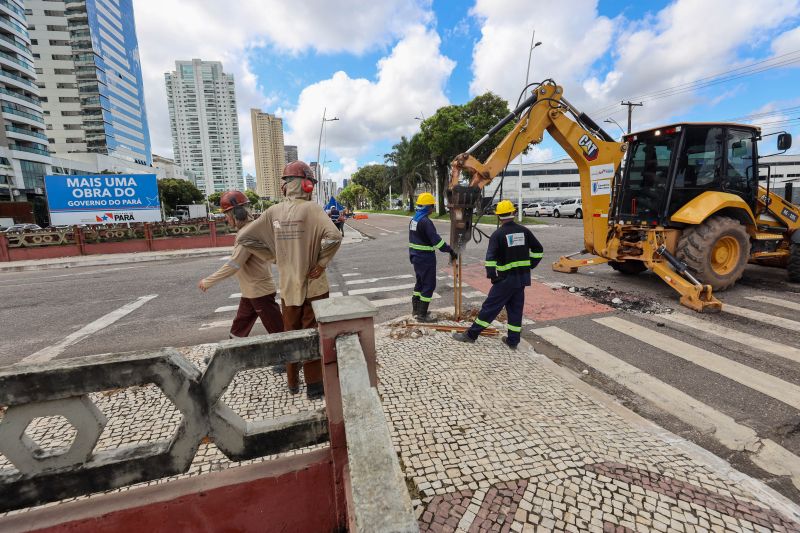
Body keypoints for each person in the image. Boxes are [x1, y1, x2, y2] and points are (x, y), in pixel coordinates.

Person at [237, 161, 343, 398]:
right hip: (315, 286)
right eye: (311, 184)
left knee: (290, 333)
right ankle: (315, 386)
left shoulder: (273, 212)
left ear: (286, 186)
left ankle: (293, 382)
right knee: (313, 332)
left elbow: (245, 237)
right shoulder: (313, 209)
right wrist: (321, 263)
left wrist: (274, 256)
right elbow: (335, 236)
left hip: (287, 287)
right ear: (306, 185)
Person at [452, 200, 543, 349]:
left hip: (505, 280)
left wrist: (492, 276)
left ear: (498, 216)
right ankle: (513, 341)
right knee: (515, 310)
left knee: (489, 308)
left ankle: (471, 335)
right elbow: (539, 250)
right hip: (521, 279)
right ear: (513, 213)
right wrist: (529, 265)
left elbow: (490, 259)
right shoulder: (524, 231)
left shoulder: (498, 234)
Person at [198, 190, 284, 340]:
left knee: (278, 329)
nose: (226, 219)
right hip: (251, 290)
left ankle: (292, 361)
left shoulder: (248, 233)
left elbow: (234, 264)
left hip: (259, 292)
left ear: (236, 214)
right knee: (239, 328)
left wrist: (208, 281)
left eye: (226, 214)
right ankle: (227, 356)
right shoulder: (250, 228)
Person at [409, 192, 457, 322]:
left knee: (420, 283)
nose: (433, 209)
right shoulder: (426, 222)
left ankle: (416, 310)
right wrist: (450, 250)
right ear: (427, 207)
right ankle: (422, 315)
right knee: (429, 285)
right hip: (425, 259)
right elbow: (437, 242)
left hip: (415, 257)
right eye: (432, 206)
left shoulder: (414, 219)